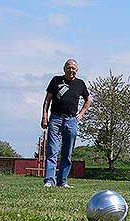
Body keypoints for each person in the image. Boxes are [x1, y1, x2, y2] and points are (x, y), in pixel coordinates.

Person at [41, 59, 92, 187]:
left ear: (77, 70)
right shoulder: (56, 80)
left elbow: (88, 100)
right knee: (52, 150)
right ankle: (49, 181)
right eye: (69, 68)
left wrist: (80, 114)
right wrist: (44, 116)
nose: (71, 70)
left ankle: (62, 181)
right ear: (64, 68)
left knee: (67, 152)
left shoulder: (80, 84)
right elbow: (47, 100)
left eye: (74, 68)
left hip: (71, 121)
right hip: (55, 119)